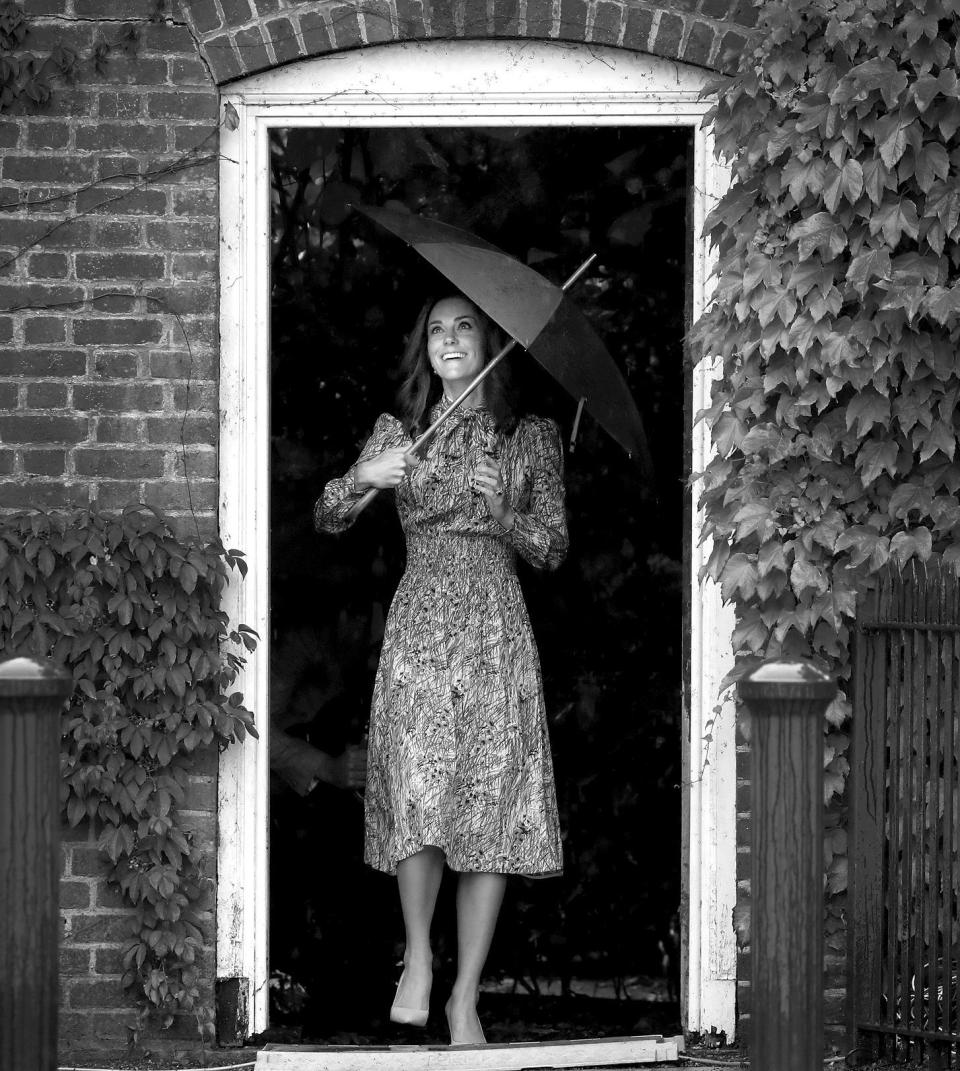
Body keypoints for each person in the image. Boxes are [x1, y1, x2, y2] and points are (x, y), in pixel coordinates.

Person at [314, 292, 567, 1046]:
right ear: (423, 350)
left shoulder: (528, 437)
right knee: (418, 788)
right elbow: (328, 514)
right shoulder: (403, 432)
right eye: (436, 330)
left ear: (490, 339)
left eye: (464, 327)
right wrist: (368, 472)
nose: (449, 340)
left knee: (487, 805)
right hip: (422, 621)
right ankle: (418, 958)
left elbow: (552, 547)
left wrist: (506, 516)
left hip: (495, 624)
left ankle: (464, 997)